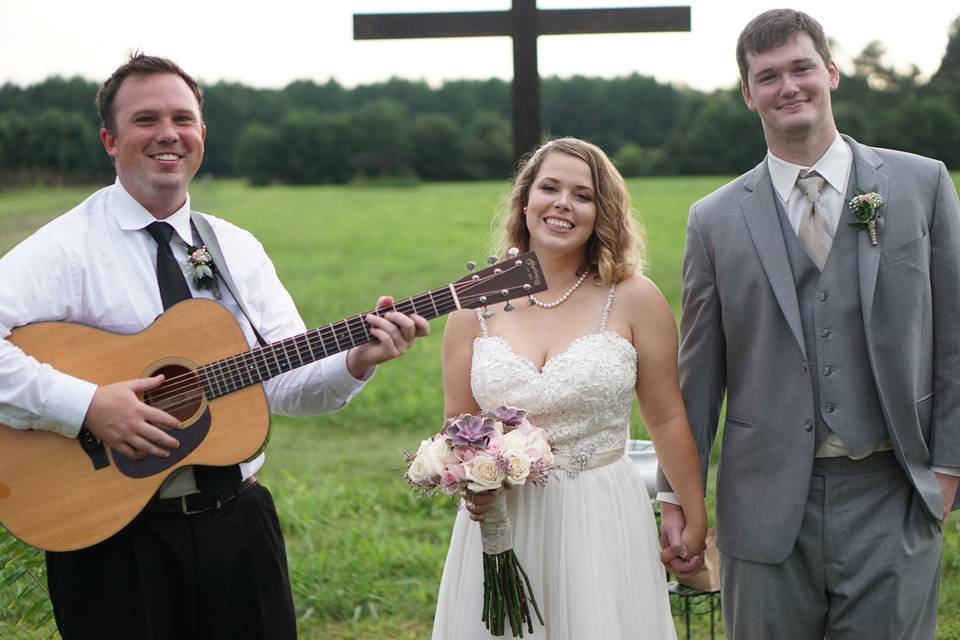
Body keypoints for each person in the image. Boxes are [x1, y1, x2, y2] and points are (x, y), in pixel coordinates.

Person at [0, 54, 429, 640]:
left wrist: (356, 359)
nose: (168, 134)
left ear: (202, 134)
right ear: (110, 139)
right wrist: (87, 405)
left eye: (183, 118)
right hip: (109, 535)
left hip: (239, 526)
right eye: (146, 119)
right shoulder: (65, 249)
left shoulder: (235, 247)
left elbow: (285, 382)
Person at [658, 9, 960, 638]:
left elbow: (954, 337)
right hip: (762, 502)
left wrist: (949, 471)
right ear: (748, 94)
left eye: (801, 68)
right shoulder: (712, 220)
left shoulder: (921, 183)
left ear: (831, 71)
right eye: (768, 77)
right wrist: (675, 496)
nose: (788, 86)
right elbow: (697, 376)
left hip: (893, 490)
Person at [432, 137, 707, 639]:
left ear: (602, 213)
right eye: (550, 188)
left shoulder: (634, 299)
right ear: (525, 200)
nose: (563, 203)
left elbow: (666, 416)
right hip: (505, 517)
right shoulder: (472, 305)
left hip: (600, 515)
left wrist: (691, 509)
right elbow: (457, 424)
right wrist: (471, 481)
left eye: (582, 195)